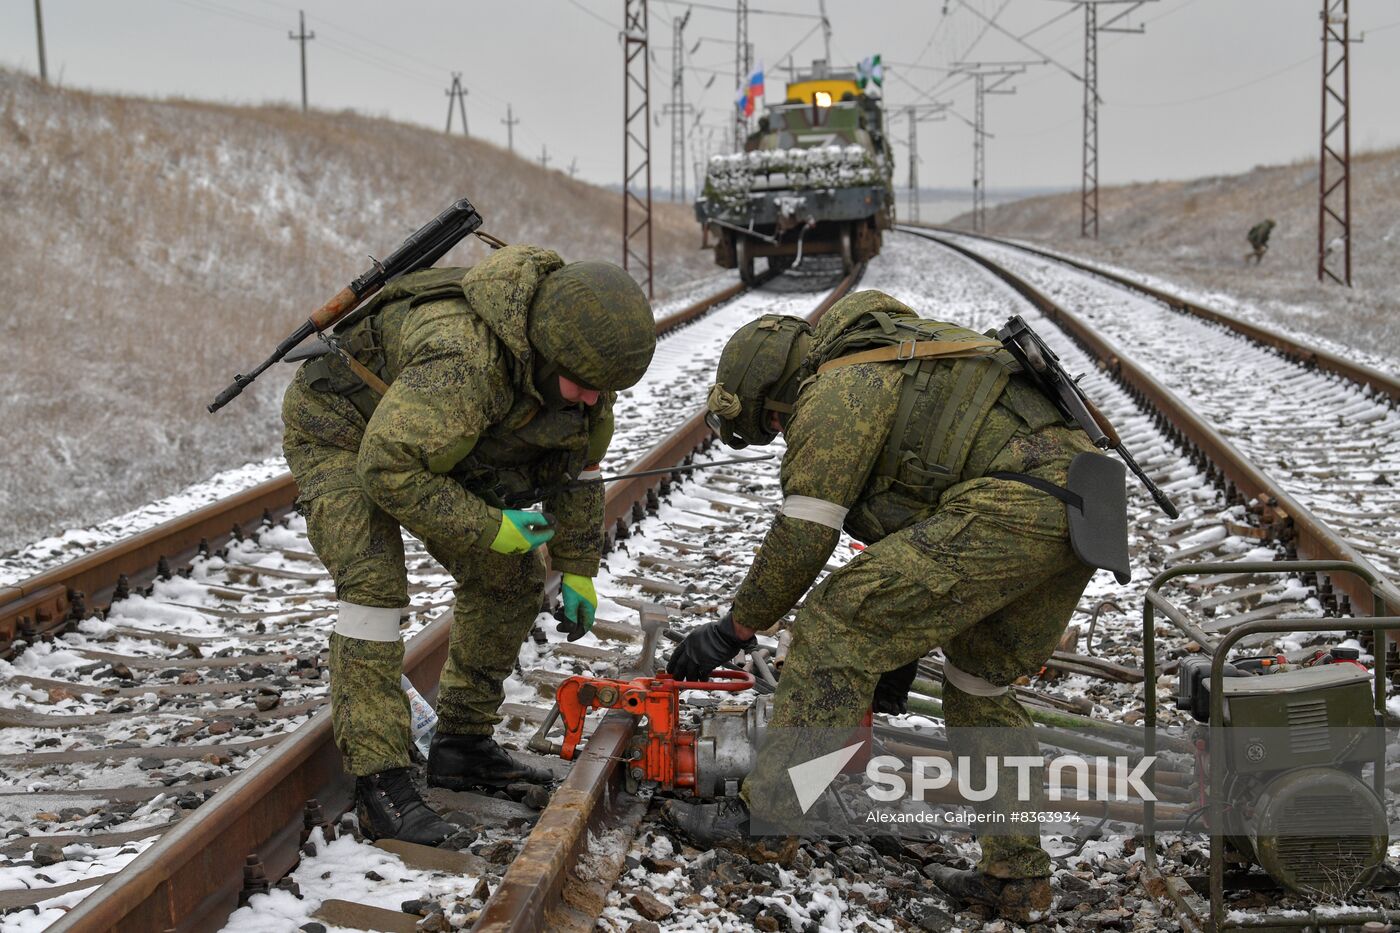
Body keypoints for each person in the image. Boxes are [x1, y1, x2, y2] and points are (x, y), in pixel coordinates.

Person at [663, 290, 1106, 922]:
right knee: (977, 687)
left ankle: (769, 818)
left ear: (777, 391)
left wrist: (733, 629)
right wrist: (898, 646)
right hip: (1081, 504)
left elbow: (805, 534)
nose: (781, 434)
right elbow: (925, 501)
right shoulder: (900, 359)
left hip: (1015, 503)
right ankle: (1016, 875)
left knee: (834, 624)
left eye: (772, 423)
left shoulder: (839, 391)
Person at [281, 244, 656, 845]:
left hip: (433, 436)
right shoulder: (464, 359)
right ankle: (382, 785)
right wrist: (490, 527)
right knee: (374, 588)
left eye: (602, 391)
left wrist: (579, 567)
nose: (592, 399)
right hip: (345, 431)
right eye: (584, 386)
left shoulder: (581, 370)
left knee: (510, 578)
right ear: (546, 353)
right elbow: (388, 468)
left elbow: (579, 469)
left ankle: (461, 745)